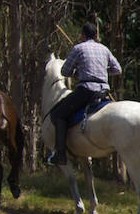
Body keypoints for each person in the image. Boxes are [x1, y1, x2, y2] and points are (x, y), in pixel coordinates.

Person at [46, 23, 121, 165]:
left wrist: (77, 73)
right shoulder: (104, 49)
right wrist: (104, 72)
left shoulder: (78, 48)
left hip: (86, 90)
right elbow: (117, 69)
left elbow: (64, 72)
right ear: (96, 36)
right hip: (103, 92)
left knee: (58, 114)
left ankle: (60, 155)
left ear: (83, 35)